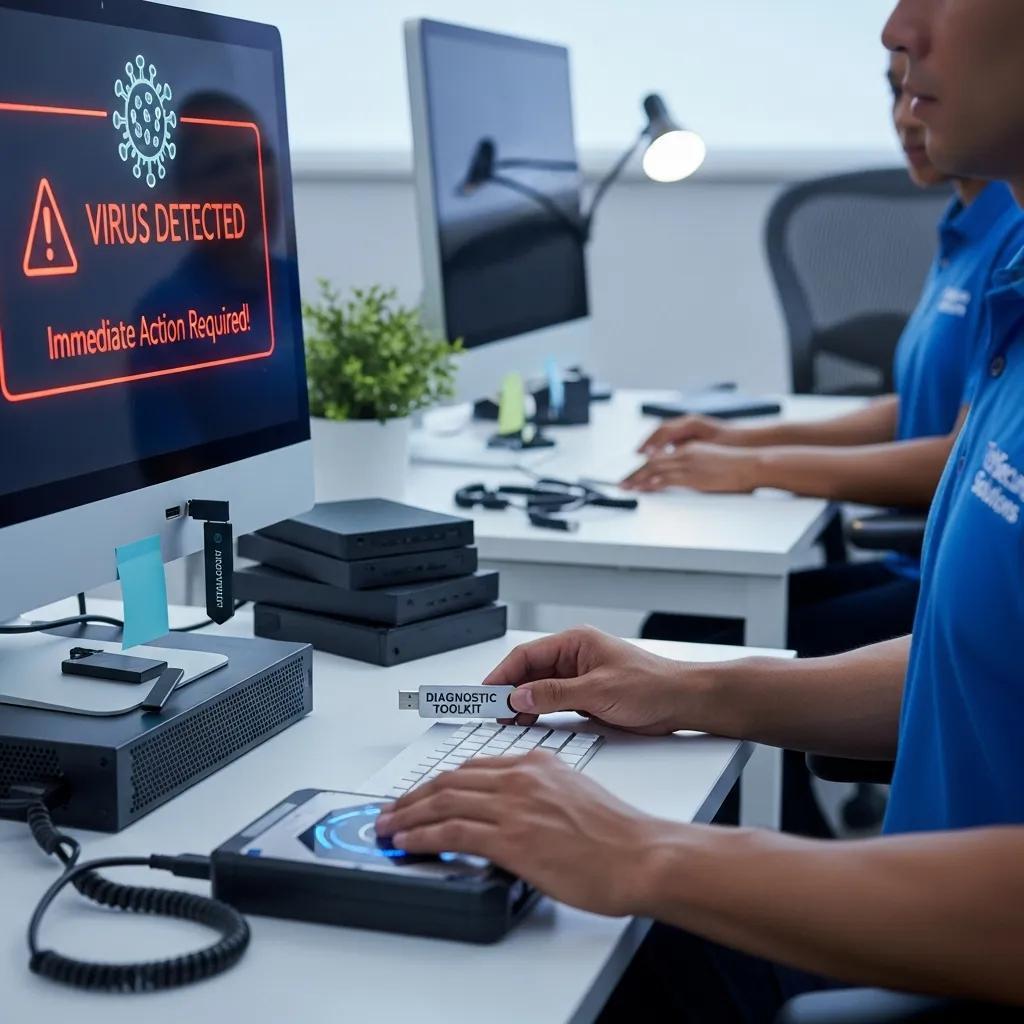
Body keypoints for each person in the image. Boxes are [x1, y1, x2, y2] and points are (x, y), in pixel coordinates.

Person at [374, 1, 1024, 1016]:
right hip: (914, 911)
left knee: (533, 954)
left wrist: (649, 852)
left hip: (944, 967)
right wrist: (692, 689)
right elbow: (977, 665)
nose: (897, 29)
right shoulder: (1016, 316)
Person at [627, 53, 1024, 838]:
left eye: (923, 80)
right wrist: (749, 440)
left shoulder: (1006, 234)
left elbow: (962, 450)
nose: (907, 112)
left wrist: (754, 467)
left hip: (940, 578)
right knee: (689, 625)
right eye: (892, 88)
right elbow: (916, 407)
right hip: (935, 574)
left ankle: (787, 846)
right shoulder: (965, 232)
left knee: (708, 630)